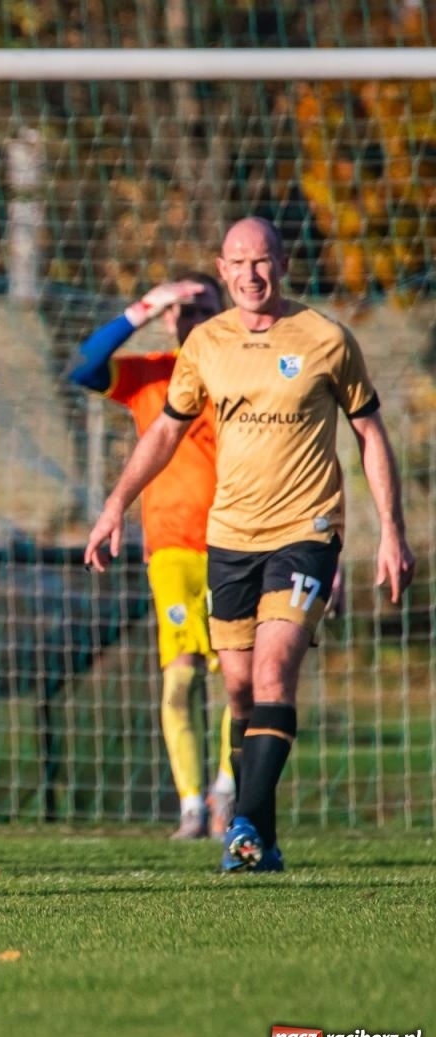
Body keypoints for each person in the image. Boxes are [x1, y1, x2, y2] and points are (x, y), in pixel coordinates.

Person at [84, 217, 415, 873]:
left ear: (282, 263)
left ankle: (238, 824)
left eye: (262, 261)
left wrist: (391, 530)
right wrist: (115, 504)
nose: (251, 274)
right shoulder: (205, 343)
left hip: (306, 532)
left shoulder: (325, 338)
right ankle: (259, 840)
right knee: (237, 692)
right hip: (228, 538)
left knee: (272, 674)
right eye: (238, 263)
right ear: (223, 266)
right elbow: (164, 432)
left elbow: (370, 432)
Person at [70, 273, 236, 839]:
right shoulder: (152, 374)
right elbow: (84, 367)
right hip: (170, 551)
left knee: (240, 680)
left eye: (203, 308)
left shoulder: (240, 369)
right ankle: (192, 804)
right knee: (180, 682)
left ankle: (228, 791)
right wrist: (140, 309)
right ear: (168, 317)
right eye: (182, 310)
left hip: (236, 546)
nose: (191, 319)